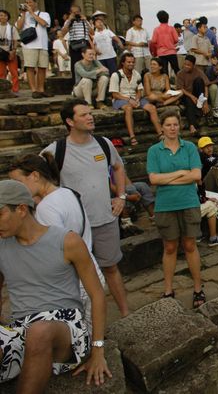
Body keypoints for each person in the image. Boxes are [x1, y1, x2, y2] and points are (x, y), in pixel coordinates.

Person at [0, 180, 111, 390]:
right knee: (33, 332)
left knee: (40, 331)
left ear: (21, 209)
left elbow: (97, 294)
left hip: (66, 328)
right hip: (21, 328)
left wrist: (98, 351)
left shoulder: (67, 241)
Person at [42, 98, 130, 317]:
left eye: (90, 113)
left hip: (104, 219)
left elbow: (118, 168)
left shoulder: (103, 144)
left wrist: (121, 196)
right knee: (76, 275)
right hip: (73, 228)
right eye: (83, 114)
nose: (90, 117)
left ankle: (126, 314)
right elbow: (36, 181)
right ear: (70, 121)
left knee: (111, 268)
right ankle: (83, 322)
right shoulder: (55, 151)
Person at [8, 153, 107, 328]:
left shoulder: (47, 208)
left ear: (35, 176)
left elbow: (51, 251)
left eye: (19, 182)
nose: (18, 190)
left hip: (73, 283)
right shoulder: (67, 192)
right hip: (90, 271)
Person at [146, 112, 209, 307]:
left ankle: (198, 287)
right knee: (170, 247)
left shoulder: (189, 147)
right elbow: (153, 179)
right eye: (168, 125)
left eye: (175, 124)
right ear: (162, 128)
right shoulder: (154, 151)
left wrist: (169, 178)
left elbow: (196, 175)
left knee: (190, 245)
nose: (172, 128)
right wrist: (182, 173)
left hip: (188, 202)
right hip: (166, 205)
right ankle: (168, 289)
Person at [110, 53, 162, 145]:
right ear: (123, 63)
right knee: (128, 108)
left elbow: (139, 90)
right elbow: (115, 94)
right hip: (120, 99)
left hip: (134, 97)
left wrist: (137, 99)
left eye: (133, 62)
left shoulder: (136, 74)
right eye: (128, 62)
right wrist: (129, 100)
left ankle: (160, 134)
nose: (131, 64)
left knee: (152, 108)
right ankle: (132, 136)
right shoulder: (116, 75)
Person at [16, 0, 51, 98]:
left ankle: (41, 89)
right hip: (29, 45)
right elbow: (19, 26)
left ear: (36, 3)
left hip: (42, 44)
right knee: (30, 67)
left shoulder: (44, 14)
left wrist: (32, 13)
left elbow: (44, 24)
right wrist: (23, 14)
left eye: (30, 2)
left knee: (42, 67)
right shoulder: (23, 15)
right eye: (26, 2)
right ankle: (34, 90)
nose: (28, 4)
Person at [175, 54, 209, 135]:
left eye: (189, 65)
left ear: (193, 65)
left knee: (199, 81)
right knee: (189, 101)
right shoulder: (180, 73)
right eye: (185, 64)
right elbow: (181, 89)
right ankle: (192, 125)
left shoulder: (199, 72)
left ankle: (200, 105)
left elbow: (206, 86)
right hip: (185, 95)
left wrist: (205, 102)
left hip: (197, 94)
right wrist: (191, 96)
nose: (186, 66)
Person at [59, 4, 94, 81]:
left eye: (77, 12)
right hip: (74, 46)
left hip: (84, 44)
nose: (76, 14)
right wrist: (69, 20)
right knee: (75, 64)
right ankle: (76, 83)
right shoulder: (68, 22)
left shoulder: (84, 21)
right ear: (70, 13)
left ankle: (88, 81)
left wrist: (85, 20)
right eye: (74, 12)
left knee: (87, 63)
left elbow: (92, 32)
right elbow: (62, 33)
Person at [150, 10, 179, 76]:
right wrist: (171, 43)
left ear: (158, 19)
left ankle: (166, 85)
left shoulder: (156, 29)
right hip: (171, 52)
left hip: (161, 53)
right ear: (168, 18)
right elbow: (176, 40)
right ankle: (180, 85)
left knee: (164, 71)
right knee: (176, 70)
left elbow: (153, 41)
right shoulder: (171, 28)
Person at [0, 9, 20, 93]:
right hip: (0, 52)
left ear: (8, 17)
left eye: (5, 15)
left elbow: (15, 40)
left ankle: (15, 89)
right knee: (1, 72)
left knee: (14, 72)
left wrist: (14, 50)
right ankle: (2, 89)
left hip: (10, 51)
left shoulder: (12, 28)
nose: (3, 17)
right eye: (1, 15)